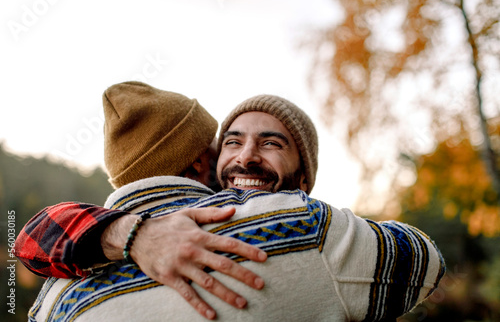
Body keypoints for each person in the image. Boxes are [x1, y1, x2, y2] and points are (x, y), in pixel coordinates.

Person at [17, 82, 445, 321]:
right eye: (232, 141)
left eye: (271, 142)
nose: (245, 157)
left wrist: (126, 232)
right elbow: (424, 260)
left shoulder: (56, 292)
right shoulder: (308, 229)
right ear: (207, 156)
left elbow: (27, 241)